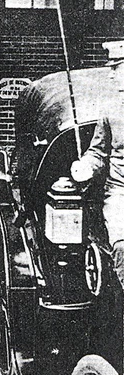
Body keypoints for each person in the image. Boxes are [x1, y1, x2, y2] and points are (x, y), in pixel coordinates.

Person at [71, 40, 124, 287]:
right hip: (120, 193)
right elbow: (98, 152)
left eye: (116, 68)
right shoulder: (110, 110)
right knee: (122, 247)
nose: (111, 75)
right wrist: (85, 166)